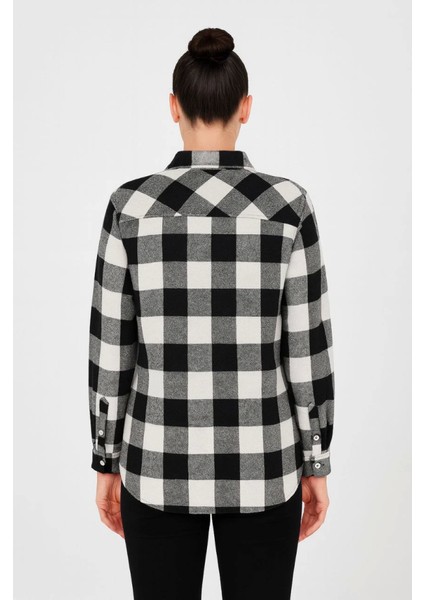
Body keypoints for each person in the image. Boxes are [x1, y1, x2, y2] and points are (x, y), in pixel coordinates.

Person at [88, 27, 335, 600]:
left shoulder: (131, 207)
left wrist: (105, 458)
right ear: (245, 107)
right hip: (266, 466)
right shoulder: (288, 207)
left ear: (173, 106)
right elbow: (307, 349)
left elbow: (111, 347)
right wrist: (317, 461)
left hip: (156, 465)